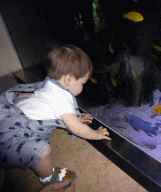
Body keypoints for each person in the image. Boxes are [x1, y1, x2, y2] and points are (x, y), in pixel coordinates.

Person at [0, 45, 111, 188]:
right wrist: (96, 134)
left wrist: (74, 118)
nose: (83, 87)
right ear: (69, 80)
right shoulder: (62, 98)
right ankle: (47, 177)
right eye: (82, 83)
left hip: (10, 119)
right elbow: (77, 129)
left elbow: (54, 108)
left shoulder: (50, 83)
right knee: (43, 152)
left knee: (25, 96)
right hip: (17, 134)